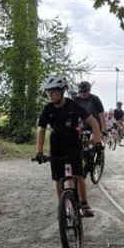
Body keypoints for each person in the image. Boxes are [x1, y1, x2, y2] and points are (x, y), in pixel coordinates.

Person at [36, 75, 103, 217]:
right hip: (56, 144)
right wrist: (39, 152)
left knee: (78, 175)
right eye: (48, 92)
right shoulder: (48, 108)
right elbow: (41, 130)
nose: (50, 95)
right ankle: (63, 206)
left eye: (53, 92)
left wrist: (97, 143)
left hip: (73, 142)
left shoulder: (73, 105)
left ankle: (84, 204)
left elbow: (93, 122)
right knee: (58, 178)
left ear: (62, 91)